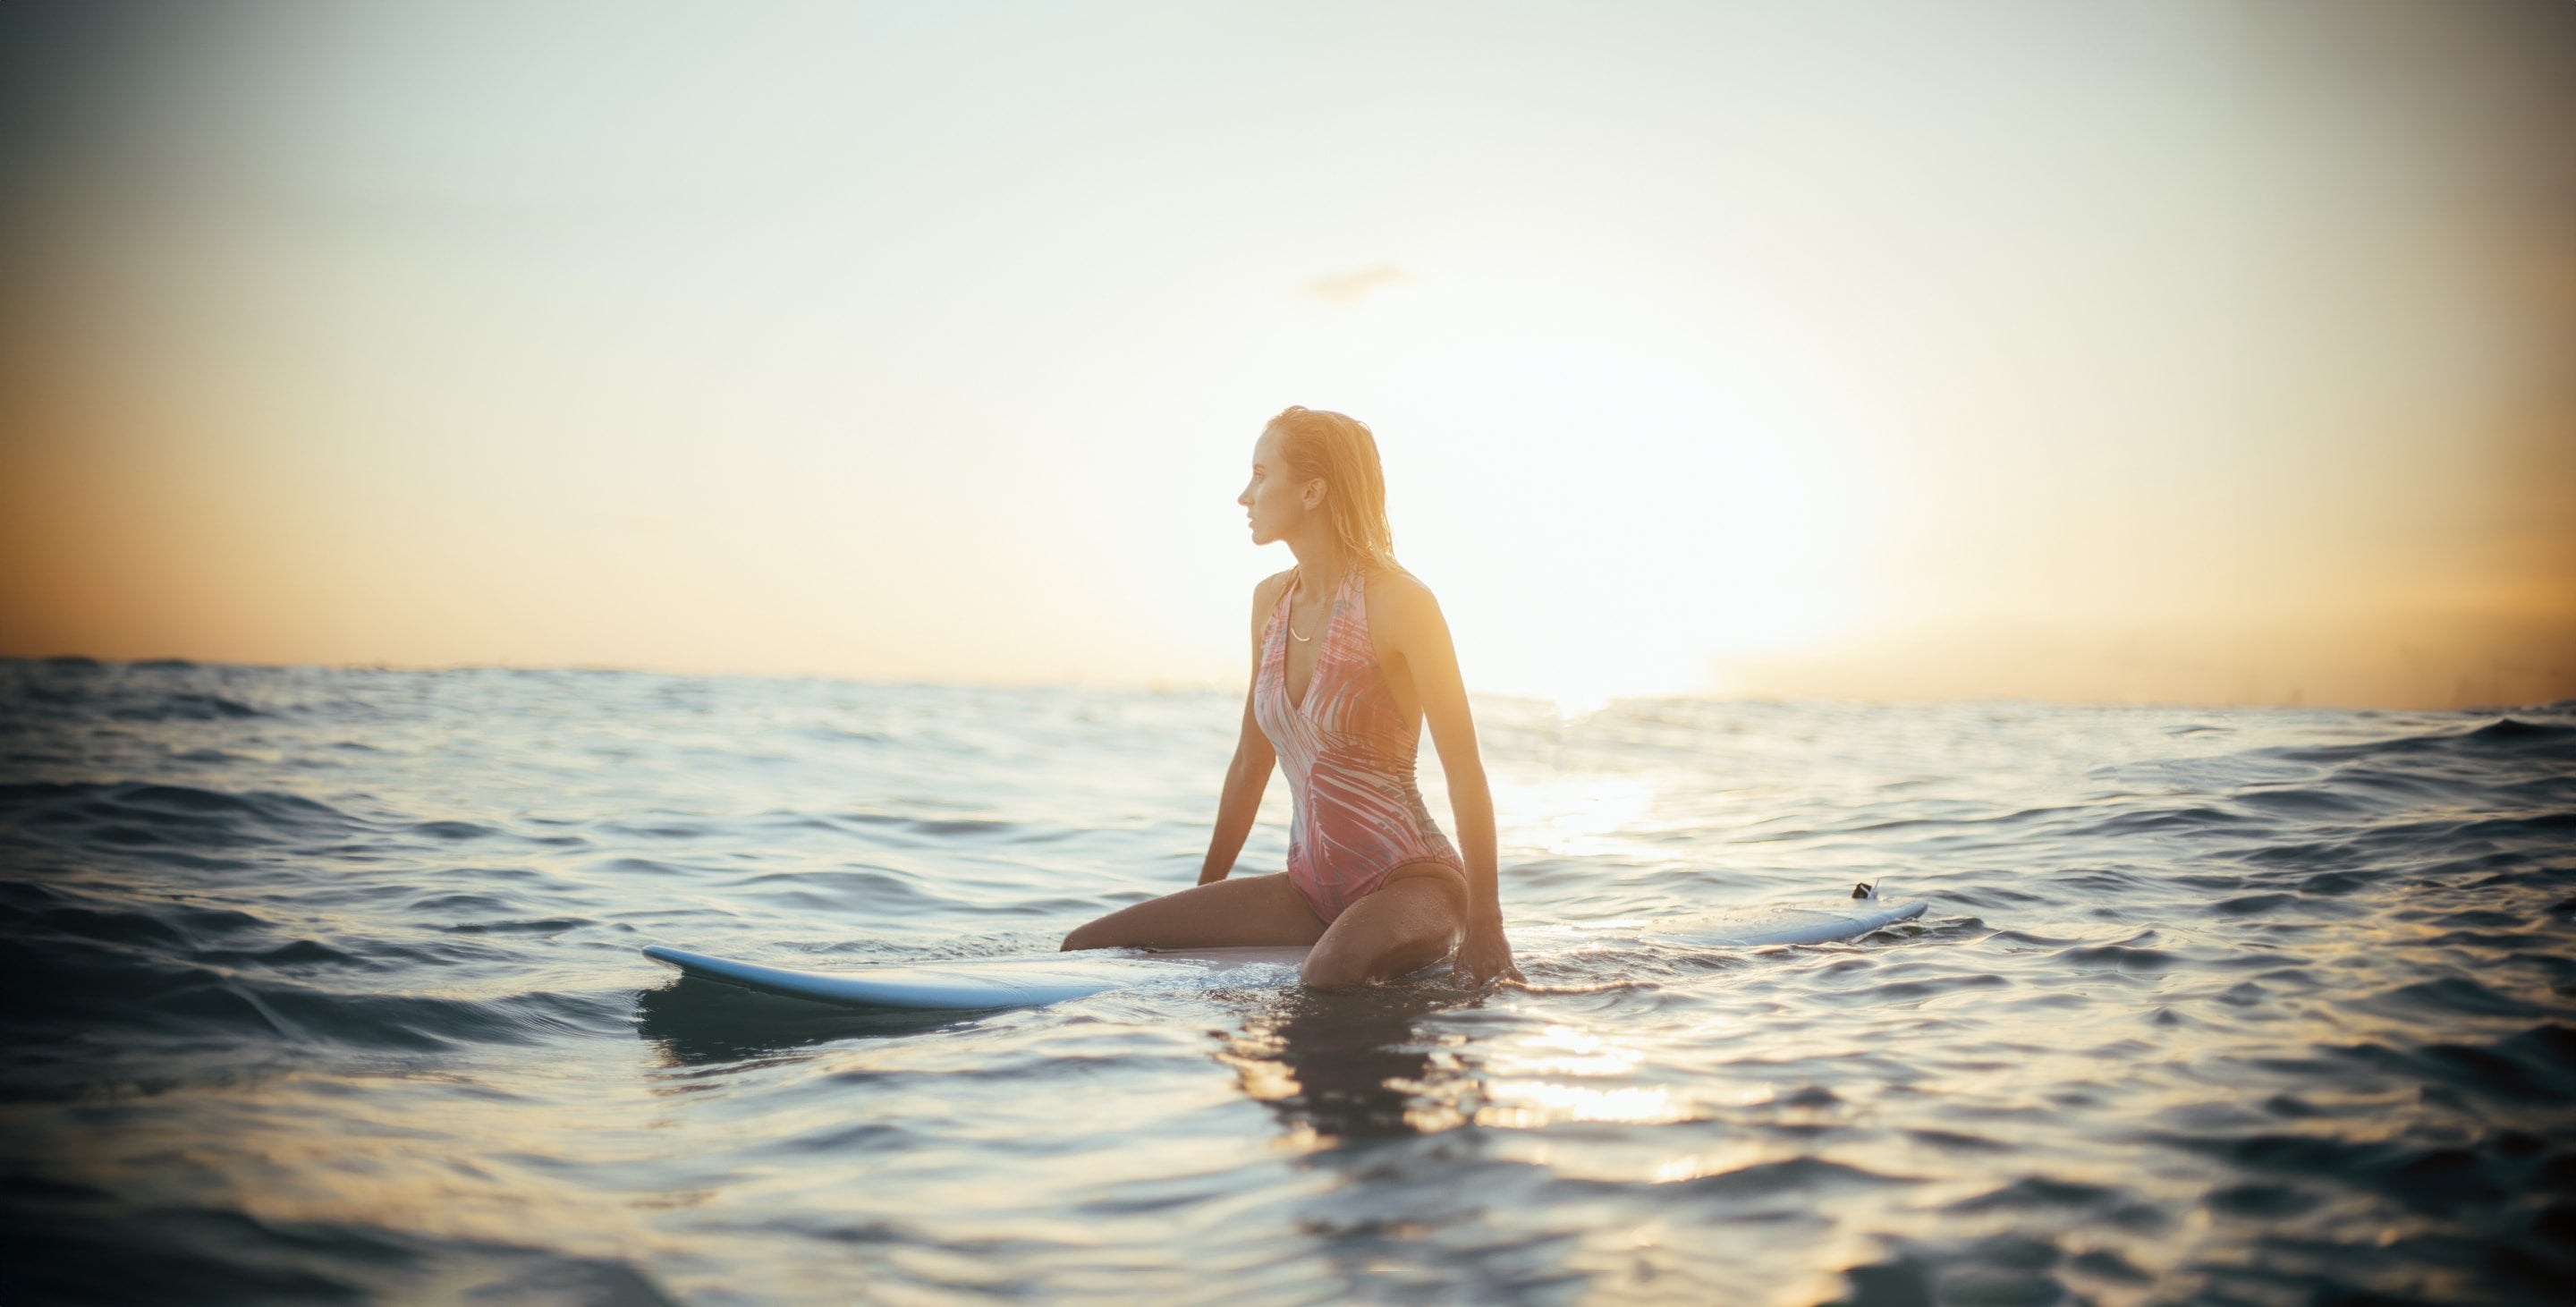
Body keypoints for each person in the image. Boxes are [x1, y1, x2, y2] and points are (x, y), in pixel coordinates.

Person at [1062, 406, 1521, 989]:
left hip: (1413, 882)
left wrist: (1486, 923)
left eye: (1260, 474)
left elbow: (1464, 769)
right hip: (1307, 890)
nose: (1243, 495)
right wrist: (1205, 903)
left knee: (1329, 975)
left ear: (1312, 490)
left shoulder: (1401, 602)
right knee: (1087, 946)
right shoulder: (1270, 602)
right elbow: (1251, 762)